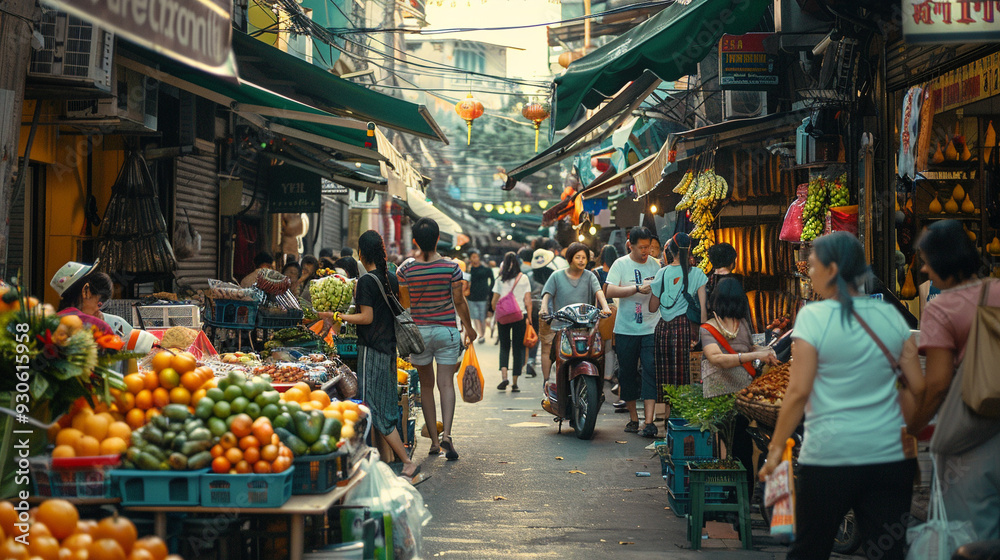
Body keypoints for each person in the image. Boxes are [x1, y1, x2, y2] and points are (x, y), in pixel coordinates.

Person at [758, 232, 925, 560]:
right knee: (889, 552)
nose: (810, 271)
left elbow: (798, 392)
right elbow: (918, 388)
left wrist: (776, 450)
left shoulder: (814, 317)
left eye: (814, 265)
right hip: (889, 460)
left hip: (830, 458)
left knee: (809, 550)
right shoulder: (891, 316)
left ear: (832, 269)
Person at [911, 220, 1000, 541]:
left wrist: (912, 428)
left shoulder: (941, 309)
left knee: (968, 538)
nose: (923, 269)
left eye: (926, 260)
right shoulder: (997, 289)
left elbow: (936, 385)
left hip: (969, 432)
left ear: (943, 260)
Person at [320, 231, 418, 479]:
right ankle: (386, 461)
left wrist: (337, 317)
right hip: (387, 349)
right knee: (383, 406)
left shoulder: (366, 281)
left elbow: (367, 317)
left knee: (374, 407)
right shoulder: (390, 278)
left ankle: (406, 462)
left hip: (372, 351)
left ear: (361, 253)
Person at [397, 218, 477, 461]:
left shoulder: (405, 270)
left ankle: (433, 441)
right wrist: (469, 327)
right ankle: (448, 436)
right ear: (439, 238)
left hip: (419, 333)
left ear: (415, 241)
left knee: (427, 387)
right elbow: (459, 301)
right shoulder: (452, 267)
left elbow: (404, 304)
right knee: (445, 384)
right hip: (446, 332)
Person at [700, 277, 777, 489]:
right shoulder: (731, 325)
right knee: (740, 442)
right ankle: (741, 493)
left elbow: (744, 351)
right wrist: (752, 356)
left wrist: (764, 353)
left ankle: (731, 494)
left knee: (726, 442)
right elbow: (717, 359)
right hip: (739, 394)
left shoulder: (710, 327)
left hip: (723, 395)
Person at [644, 233, 708, 438]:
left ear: (669, 250)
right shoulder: (697, 273)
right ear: (689, 250)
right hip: (685, 328)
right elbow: (703, 308)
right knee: (684, 375)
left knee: (665, 376)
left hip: (664, 329)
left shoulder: (661, 274)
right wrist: (705, 333)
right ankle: (682, 421)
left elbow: (653, 308)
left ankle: (663, 427)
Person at [602, 228, 661, 434]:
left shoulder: (656, 265)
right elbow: (608, 290)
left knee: (650, 371)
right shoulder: (621, 264)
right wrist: (636, 289)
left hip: (651, 327)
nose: (646, 251)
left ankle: (650, 421)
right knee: (627, 374)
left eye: (649, 247)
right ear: (631, 245)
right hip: (626, 328)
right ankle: (634, 419)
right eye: (642, 247)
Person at [540, 243, 612, 396]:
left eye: (584, 258)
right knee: (559, 359)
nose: (581, 261)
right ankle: (552, 386)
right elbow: (547, 294)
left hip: (586, 326)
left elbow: (599, 292)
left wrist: (605, 307)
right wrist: (544, 308)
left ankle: (597, 390)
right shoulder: (557, 276)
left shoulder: (590, 276)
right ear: (570, 259)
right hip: (562, 326)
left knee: (596, 356)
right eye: (577, 257)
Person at [491, 252, 532, 392]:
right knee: (518, 348)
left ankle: (504, 377)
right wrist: (530, 318)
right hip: (520, 316)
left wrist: (497, 311)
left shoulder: (500, 279)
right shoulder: (524, 278)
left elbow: (494, 301)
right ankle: (515, 382)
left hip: (503, 317)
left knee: (504, 346)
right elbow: (528, 300)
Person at [50, 261, 126, 336]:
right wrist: (99, 327)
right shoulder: (91, 327)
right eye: (99, 304)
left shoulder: (53, 325)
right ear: (86, 291)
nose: (98, 310)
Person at [519, 247, 541, 378]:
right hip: (536, 305)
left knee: (521, 334)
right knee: (534, 333)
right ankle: (531, 360)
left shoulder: (518, 270)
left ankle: (522, 361)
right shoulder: (537, 271)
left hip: (520, 306)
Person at [466, 250, 495, 344]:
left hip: (483, 297)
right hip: (471, 297)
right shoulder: (468, 270)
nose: (475, 259)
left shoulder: (485, 269)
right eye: (473, 257)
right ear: (470, 259)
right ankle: (481, 335)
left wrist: (490, 291)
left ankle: (482, 333)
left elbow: (493, 280)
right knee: (475, 317)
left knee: (482, 317)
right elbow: (465, 282)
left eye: (476, 256)